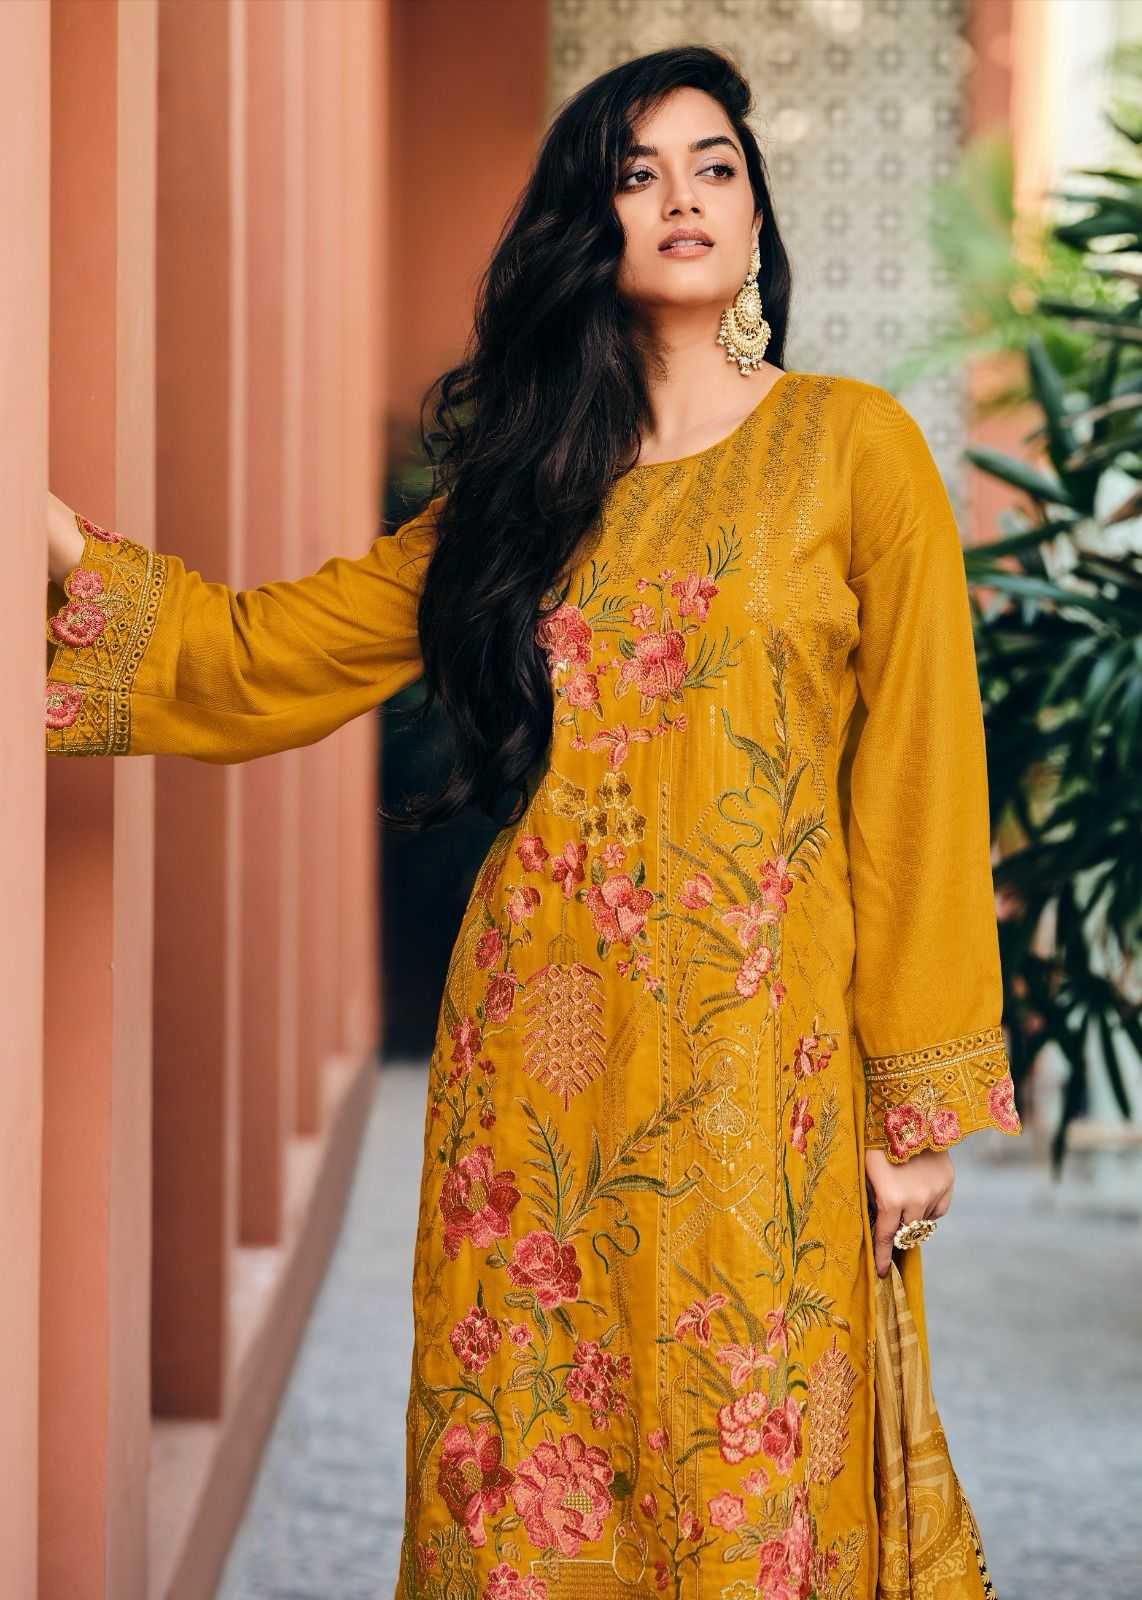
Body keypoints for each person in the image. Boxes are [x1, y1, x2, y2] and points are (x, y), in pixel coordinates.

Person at [45, 43, 1020, 1600]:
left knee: (754, 1451)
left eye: (713, 165)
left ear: (756, 212)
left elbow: (916, 774)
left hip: (762, 1063)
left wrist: (915, 1101)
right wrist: (50, 541)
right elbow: (263, 650)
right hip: (537, 1058)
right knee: (534, 1465)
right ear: (591, 222)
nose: (682, 196)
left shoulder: (853, 449)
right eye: (638, 173)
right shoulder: (529, 484)